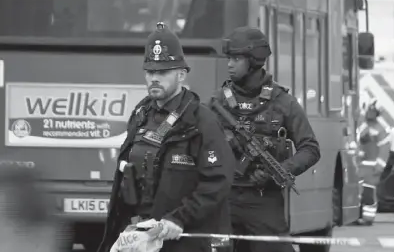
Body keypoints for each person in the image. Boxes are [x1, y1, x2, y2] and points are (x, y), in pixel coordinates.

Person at [97, 22, 235, 252]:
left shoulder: (202, 121)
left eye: (162, 72)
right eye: (150, 72)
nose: (154, 78)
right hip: (143, 239)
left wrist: (178, 219)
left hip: (187, 242)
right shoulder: (141, 114)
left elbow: (217, 182)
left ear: (181, 75)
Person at [208, 27, 321, 252]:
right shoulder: (218, 102)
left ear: (254, 61)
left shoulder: (283, 102)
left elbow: (310, 148)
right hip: (224, 198)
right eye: (229, 58)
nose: (229, 64)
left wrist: (278, 170)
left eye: (236, 58)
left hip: (264, 200)